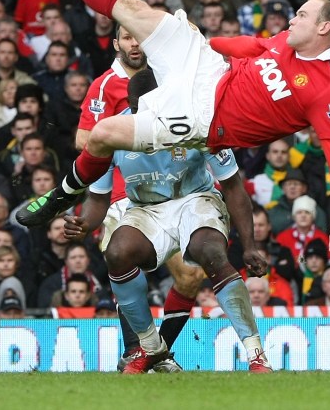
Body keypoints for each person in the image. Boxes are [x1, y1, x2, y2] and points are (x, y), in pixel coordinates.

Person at [7, 0, 330, 267]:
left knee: (102, 134)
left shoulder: (326, 88)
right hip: (206, 65)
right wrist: (208, 42)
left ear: (323, 28)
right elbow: (256, 47)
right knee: (135, 9)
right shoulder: (290, 41)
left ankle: (61, 195)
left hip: (204, 119)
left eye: (300, 15)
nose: (291, 19)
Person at [64, 68, 269, 373]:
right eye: (137, 109)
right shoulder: (110, 134)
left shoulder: (198, 122)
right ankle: (151, 349)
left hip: (195, 200)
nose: (143, 115)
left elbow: (233, 184)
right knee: (117, 253)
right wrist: (85, 223)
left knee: (208, 253)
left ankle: (256, 355)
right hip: (146, 208)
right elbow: (98, 198)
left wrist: (250, 245)